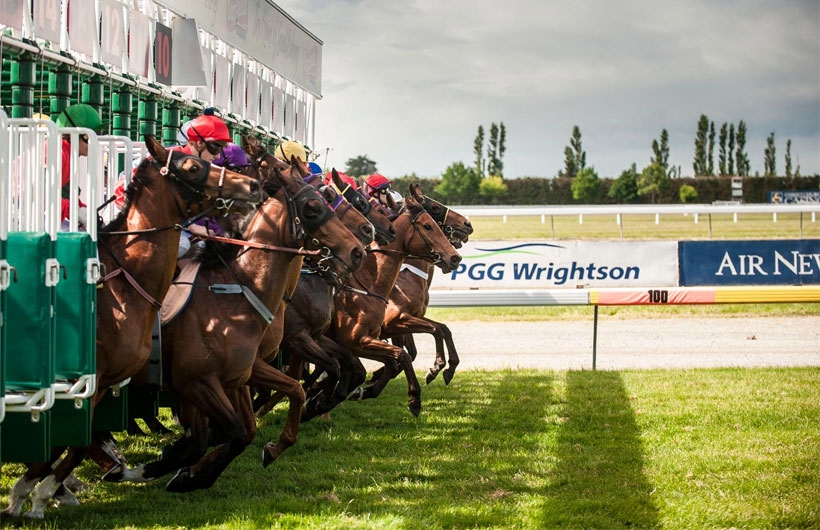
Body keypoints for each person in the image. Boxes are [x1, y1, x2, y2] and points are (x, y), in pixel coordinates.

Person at [55, 103, 104, 230]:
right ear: (72, 135)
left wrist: (84, 210)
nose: (95, 142)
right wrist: (76, 211)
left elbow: (66, 196)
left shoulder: (66, 153)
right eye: (89, 137)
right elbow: (43, 197)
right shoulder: (57, 153)